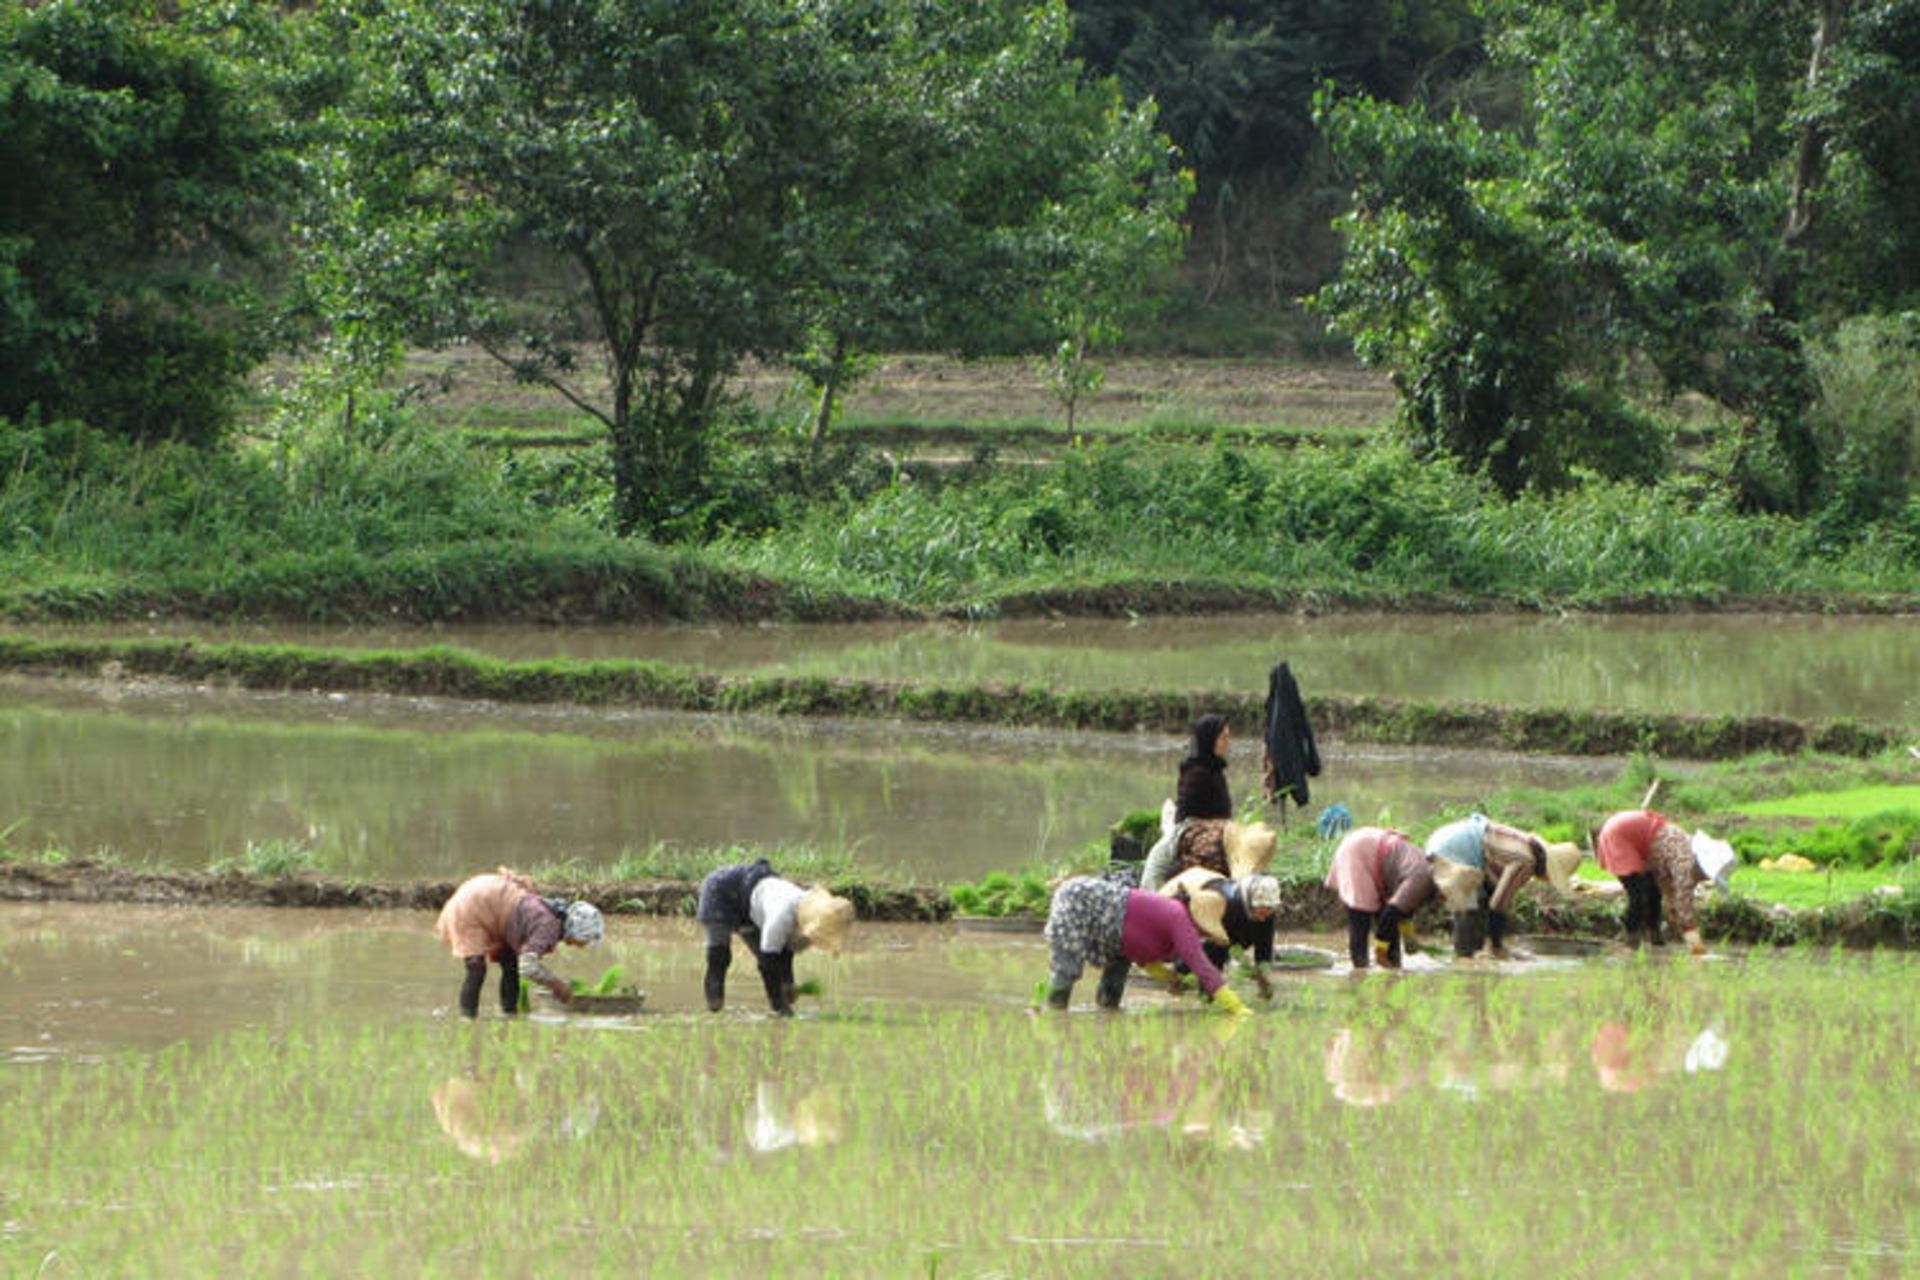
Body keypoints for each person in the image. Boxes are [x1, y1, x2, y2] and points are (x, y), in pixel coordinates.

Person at [1042, 874, 1250, 1016]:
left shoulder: (1175, 921)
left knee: (1117, 970)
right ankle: (1054, 1015)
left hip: (1117, 933)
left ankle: (1106, 1015)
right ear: (1200, 919)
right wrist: (1237, 1007)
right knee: (1067, 968)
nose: (1204, 935)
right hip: (1081, 900)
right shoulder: (1179, 918)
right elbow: (1202, 966)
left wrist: (1172, 979)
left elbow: (1146, 959)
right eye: (1206, 929)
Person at [434, 867, 605, 1018]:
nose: (581, 946)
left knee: (510, 964)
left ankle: (509, 1014)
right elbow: (528, 966)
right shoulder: (548, 926)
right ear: (577, 932)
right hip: (473, 905)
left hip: (493, 900)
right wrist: (557, 985)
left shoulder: (553, 918)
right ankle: (467, 1020)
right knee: (476, 968)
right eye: (583, 941)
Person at [697, 858, 855, 1016]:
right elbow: (767, 963)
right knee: (719, 957)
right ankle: (714, 1008)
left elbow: (786, 949)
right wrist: (780, 1007)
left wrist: (787, 983)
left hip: (752, 898)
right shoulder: (781, 916)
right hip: (720, 891)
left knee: (778, 973)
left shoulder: (810, 909)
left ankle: (779, 997)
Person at [1424, 813, 1586, 959]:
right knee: (1467, 909)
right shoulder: (1526, 861)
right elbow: (1498, 905)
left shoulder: (1525, 845)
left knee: (1478, 902)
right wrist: (1496, 946)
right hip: (1456, 850)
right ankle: (1463, 962)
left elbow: (1492, 891)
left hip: (1445, 838)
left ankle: (1471, 953)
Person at [1596, 809, 1726, 954]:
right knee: (1639, 894)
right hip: (1619, 836)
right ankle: (1630, 942)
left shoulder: (1686, 848)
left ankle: (1654, 936)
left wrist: (1671, 902)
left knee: (1654, 892)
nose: (1706, 879)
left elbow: (1663, 879)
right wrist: (1696, 947)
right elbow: (1684, 909)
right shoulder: (1685, 864)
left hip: (1633, 832)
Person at [1156, 868, 1284, 999]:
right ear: (1250, 902)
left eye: (1270, 910)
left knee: (1216, 961)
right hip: (1198, 928)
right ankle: (1184, 981)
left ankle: (1202, 993)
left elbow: (1264, 948)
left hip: (1231, 936)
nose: (1265, 917)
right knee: (1202, 964)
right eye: (1262, 911)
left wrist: (1263, 978)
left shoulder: (1268, 916)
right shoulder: (1223, 903)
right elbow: (1206, 947)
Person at [1324, 826, 1433, 970]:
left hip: (1378, 856)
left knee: (1389, 929)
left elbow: (1405, 907)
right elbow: (1390, 916)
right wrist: (1380, 951)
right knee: (1360, 920)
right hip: (1359, 854)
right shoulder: (1424, 879)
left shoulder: (1430, 874)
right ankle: (1360, 970)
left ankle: (1392, 967)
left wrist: (1408, 936)